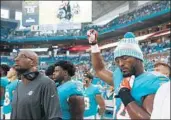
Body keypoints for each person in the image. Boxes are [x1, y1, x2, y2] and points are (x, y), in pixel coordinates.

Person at [87, 29, 169, 119]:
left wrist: (126, 96)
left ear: (138, 58)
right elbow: (99, 70)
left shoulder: (152, 80)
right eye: (117, 61)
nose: (120, 64)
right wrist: (94, 45)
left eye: (125, 58)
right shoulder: (120, 77)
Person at [11, 50, 61, 120]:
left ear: (32, 62)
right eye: (16, 56)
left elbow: (54, 116)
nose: (16, 59)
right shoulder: (18, 85)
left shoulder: (46, 83)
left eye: (22, 56)